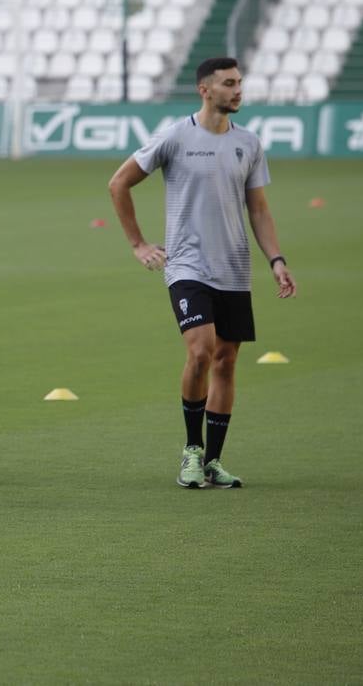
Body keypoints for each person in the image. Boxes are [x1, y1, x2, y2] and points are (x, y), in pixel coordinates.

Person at [108, 56, 297, 489]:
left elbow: (259, 209)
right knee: (200, 351)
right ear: (205, 90)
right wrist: (138, 243)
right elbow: (119, 183)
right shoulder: (176, 136)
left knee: (227, 361)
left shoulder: (248, 143)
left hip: (234, 267)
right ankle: (191, 451)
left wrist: (277, 260)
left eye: (240, 82)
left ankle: (213, 461)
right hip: (187, 265)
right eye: (229, 83)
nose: (238, 90)